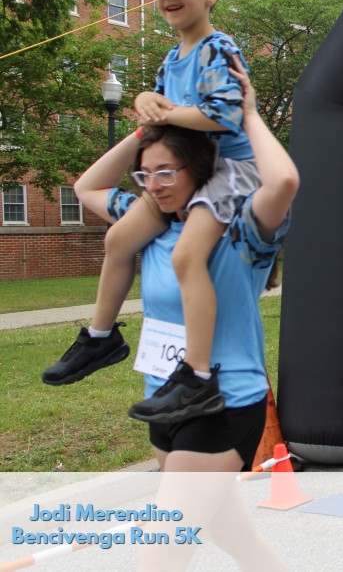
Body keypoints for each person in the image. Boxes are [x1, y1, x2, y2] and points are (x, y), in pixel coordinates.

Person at [69, 61, 296, 569]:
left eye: (167, 171)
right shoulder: (147, 224)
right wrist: (144, 131)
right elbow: (86, 188)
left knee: (161, 549)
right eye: (145, 174)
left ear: (200, 170)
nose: (154, 184)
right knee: (236, 537)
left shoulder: (242, 230)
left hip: (223, 404)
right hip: (164, 401)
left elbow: (282, 180)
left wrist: (249, 114)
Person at [43, 0, 258, 425]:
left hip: (230, 169)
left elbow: (225, 115)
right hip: (187, 168)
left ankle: (196, 375)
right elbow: (157, 117)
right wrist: (145, 100)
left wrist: (163, 110)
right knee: (119, 239)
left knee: (186, 256)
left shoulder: (217, 47)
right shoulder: (172, 58)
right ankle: (101, 338)